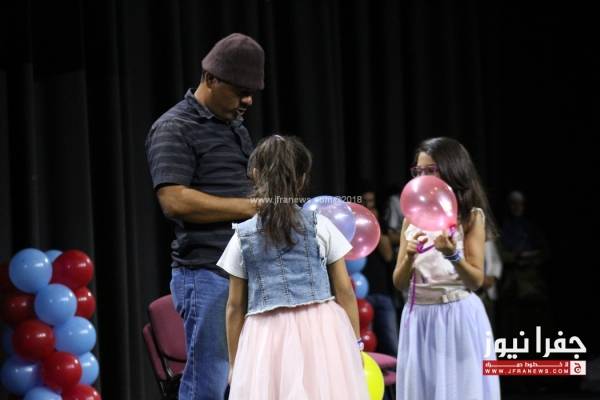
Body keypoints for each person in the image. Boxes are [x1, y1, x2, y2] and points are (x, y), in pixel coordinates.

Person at [145, 33, 264, 399]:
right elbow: (174, 201)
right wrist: (250, 208)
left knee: (248, 381)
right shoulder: (174, 127)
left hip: (245, 271)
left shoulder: (234, 126)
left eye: (252, 92)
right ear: (211, 79)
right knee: (208, 384)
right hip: (208, 273)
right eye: (240, 91)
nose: (248, 100)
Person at [218, 135, 369, 399]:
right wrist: (354, 344)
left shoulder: (241, 237)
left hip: (266, 337)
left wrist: (235, 363)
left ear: (255, 175)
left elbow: (234, 306)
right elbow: (345, 289)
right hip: (322, 332)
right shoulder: (321, 225)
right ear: (301, 179)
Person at [392, 137, 501, 400]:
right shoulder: (411, 218)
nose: (423, 178)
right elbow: (399, 282)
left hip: (456, 315)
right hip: (419, 317)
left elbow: (475, 281)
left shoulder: (471, 217)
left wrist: (453, 255)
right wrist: (408, 258)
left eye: (431, 170)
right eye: (419, 171)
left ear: (452, 170)